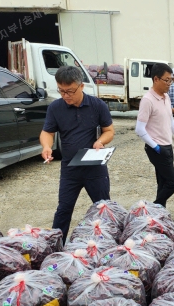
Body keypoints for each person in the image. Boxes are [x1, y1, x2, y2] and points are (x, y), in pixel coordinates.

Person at [40, 66, 115, 243]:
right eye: (62, 91)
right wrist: (46, 147)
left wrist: (101, 141)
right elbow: (47, 132)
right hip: (70, 168)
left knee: (103, 208)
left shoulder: (97, 105)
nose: (66, 96)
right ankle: (55, 246)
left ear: (81, 86)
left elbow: (109, 131)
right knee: (64, 209)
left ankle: (109, 243)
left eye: (70, 91)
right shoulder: (55, 108)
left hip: (94, 167)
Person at [135, 62, 174, 207]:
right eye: (167, 80)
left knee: (163, 182)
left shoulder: (166, 97)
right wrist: (155, 146)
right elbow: (139, 129)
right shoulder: (147, 100)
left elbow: (170, 122)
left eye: (171, 79)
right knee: (173, 182)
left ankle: (160, 213)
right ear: (156, 79)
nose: (169, 83)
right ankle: (153, 208)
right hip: (156, 148)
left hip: (167, 145)